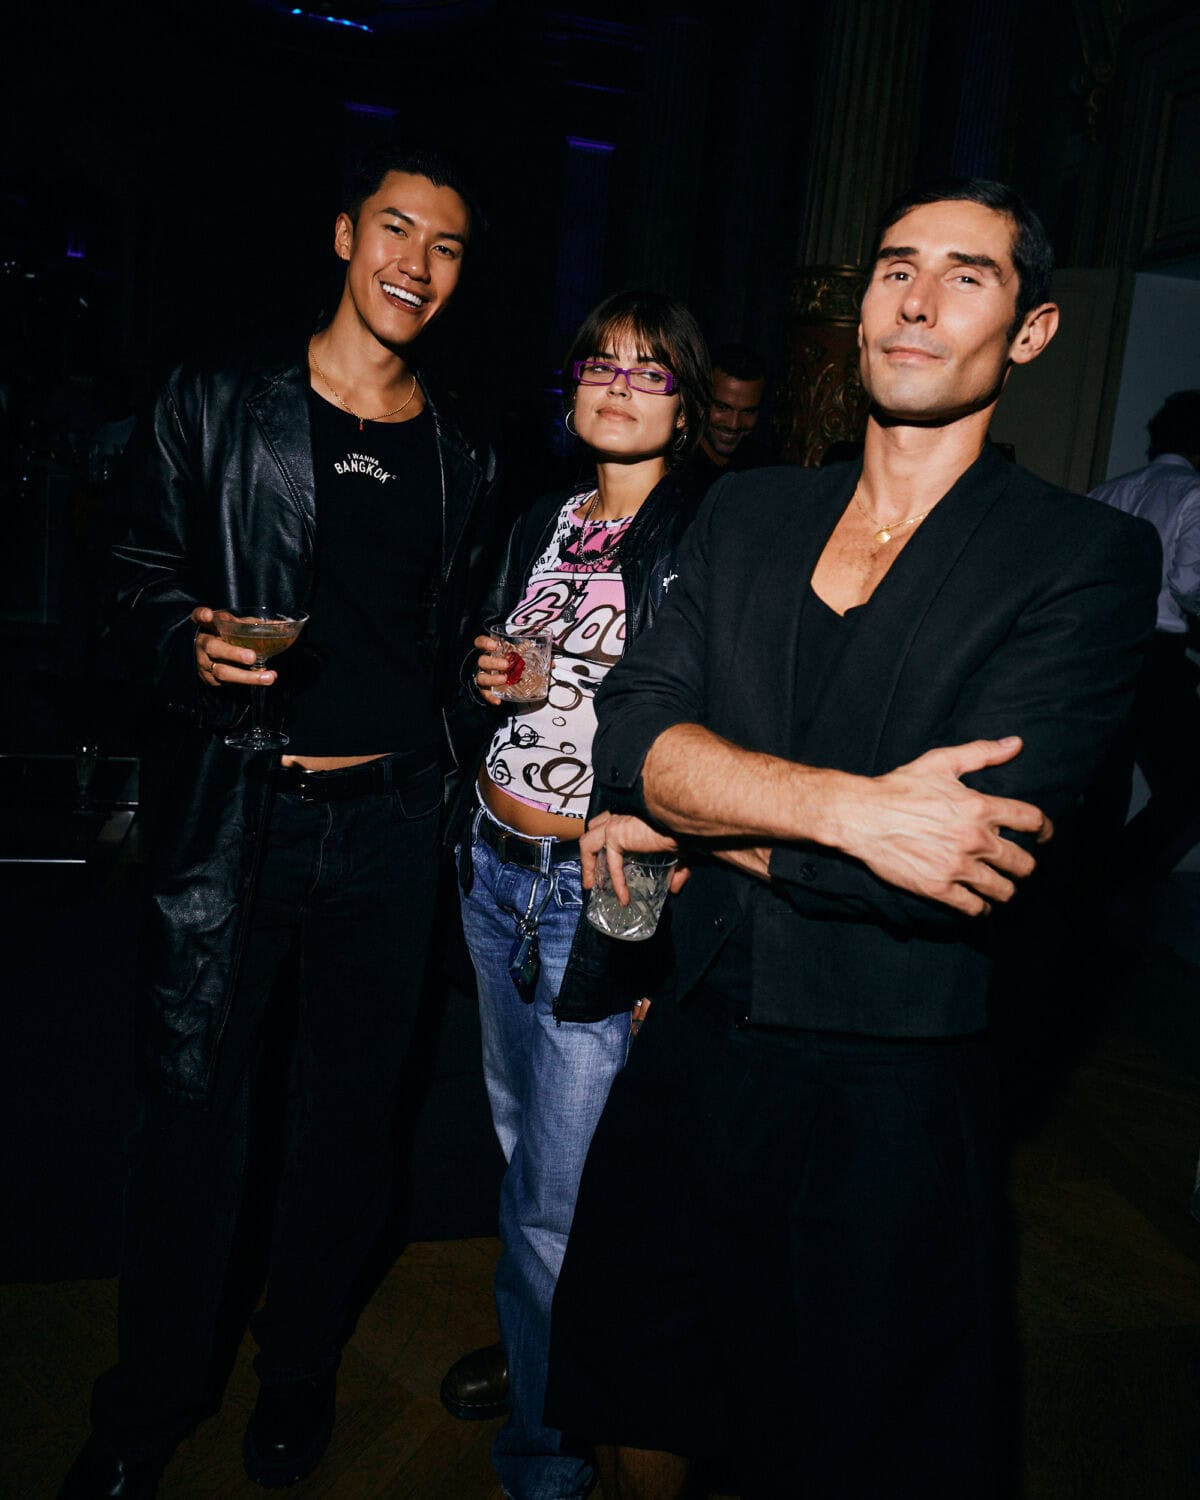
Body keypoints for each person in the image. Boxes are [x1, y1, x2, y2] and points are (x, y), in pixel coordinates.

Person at [544, 179, 1160, 1498]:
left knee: (856, 1443)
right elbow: (631, 737)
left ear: (1032, 330)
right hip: (691, 1035)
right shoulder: (750, 512)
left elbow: (956, 873)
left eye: (966, 276)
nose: (917, 303)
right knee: (637, 1367)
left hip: (892, 1082)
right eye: (895, 268)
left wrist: (700, 814)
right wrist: (858, 811)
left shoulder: (1083, 557)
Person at [59, 143, 497, 1499]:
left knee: (349, 1122)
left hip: (392, 825)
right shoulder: (216, 399)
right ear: (344, 235)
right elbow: (128, 575)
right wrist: (181, 641)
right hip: (237, 812)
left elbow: (452, 642)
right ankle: (147, 1404)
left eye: (446, 246)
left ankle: (298, 1367)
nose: (416, 263)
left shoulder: (465, 450)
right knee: (191, 1117)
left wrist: (493, 686)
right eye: (396, 229)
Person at [437, 290, 711, 1500]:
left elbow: (717, 733)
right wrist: (486, 675)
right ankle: (546, 1367)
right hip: (493, 867)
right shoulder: (544, 520)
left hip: (597, 892)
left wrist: (654, 930)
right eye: (601, 364)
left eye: (651, 371)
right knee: (525, 1165)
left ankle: (545, 1465)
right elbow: (499, 671)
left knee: (559, 1199)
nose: (619, 385)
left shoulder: (706, 536)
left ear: (688, 405)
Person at [1089, 390, 1200, 886]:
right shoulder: (1194, 493)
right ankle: (1118, 878)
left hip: (1099, 653)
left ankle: (1087, 896)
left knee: (1102, 789)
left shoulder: (1107, 491)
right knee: (1190, 787)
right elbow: (1191, 583)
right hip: (1156, 657)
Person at [680, 341, 771, 494]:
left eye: (747, 412)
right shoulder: (674, 466)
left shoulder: (765, 469)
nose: (733, 424)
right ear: (701, 401)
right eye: (723, 407)